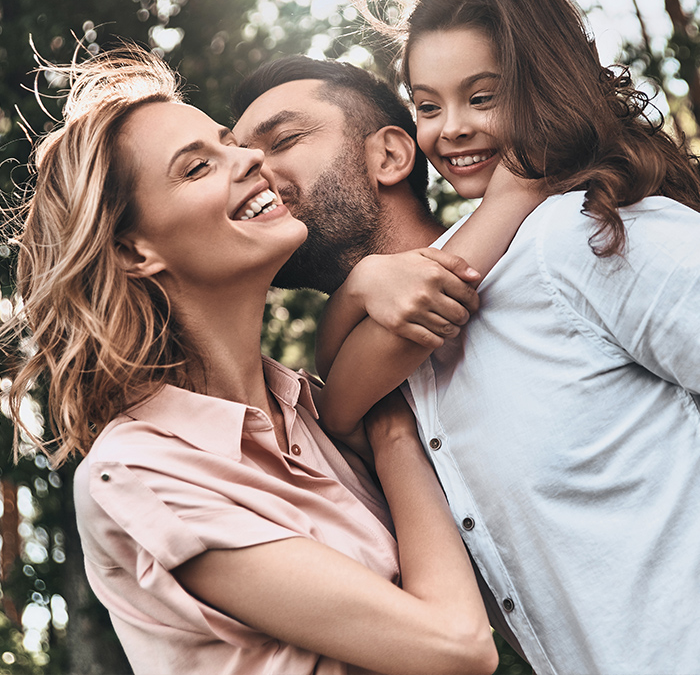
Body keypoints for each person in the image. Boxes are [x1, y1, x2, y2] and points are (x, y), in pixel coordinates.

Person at [232, 0, 700, 675]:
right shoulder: (380, 384)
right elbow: (343, 396)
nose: (252, 174)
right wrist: (364, 289)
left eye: (283, 141)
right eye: (429, 105)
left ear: (391, 155)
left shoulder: (580, 234)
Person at [3, 45, 500, 675]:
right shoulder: (141, 473)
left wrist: (360, 287)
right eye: (195, 168)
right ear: (134, 252)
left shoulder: (312, 413)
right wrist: (390, 422)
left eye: (226, 143)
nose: (248, 159)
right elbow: (456, 647)